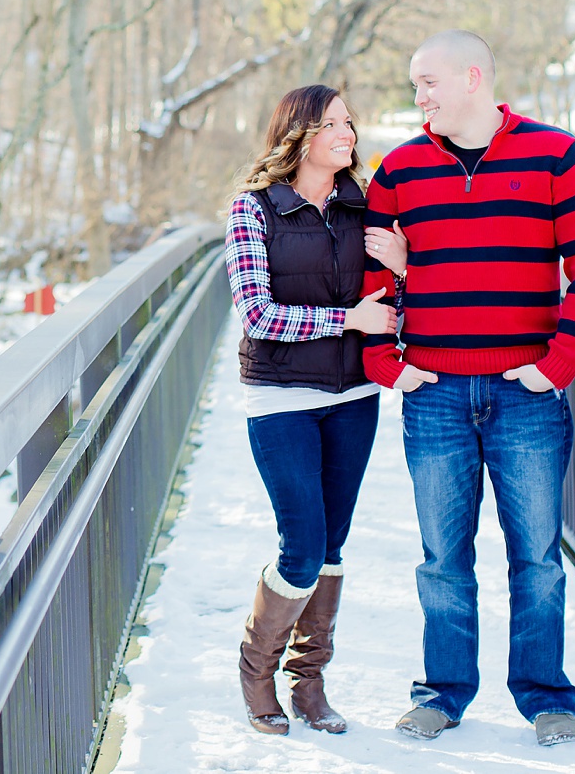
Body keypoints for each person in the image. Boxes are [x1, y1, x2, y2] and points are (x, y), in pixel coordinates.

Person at [360, 30, 575, 748]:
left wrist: (557, 364)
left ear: (474, 77)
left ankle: (546, 697)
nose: (419, 97)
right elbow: (373, 275)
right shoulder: (398, 170)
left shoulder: (557, 155)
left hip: (525, 393)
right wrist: (387, 361)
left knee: (536, 557)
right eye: (414, 85)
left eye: (428, 82)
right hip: (434, 391)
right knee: (443, 558)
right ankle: (442, 692)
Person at [225, 84, 407, 736]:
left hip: (354, 398)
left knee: (331, 544)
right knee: (300, 543)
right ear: (298, 133)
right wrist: (344, 319)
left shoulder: (368, 209)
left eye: (350, 122)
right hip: (281, 400)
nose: (348, 132)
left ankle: (310, 682)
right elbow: (257, 314)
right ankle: (257, 669)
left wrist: (406, 267)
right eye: (332, 122)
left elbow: (396, 306)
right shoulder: (254, 210)